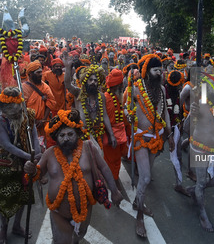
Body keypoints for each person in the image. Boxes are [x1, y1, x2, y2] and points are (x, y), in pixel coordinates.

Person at [24, 109, 123, 243]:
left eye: (70, 134)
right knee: (62, 241)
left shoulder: (88, 148)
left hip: (85, 208)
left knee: (78, 236)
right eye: (62, 135)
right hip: (59, 213)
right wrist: (31, 169)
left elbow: (104, 168)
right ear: (56, 138)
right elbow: (36, 174)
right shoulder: (49, 153)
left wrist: (115, 191)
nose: (66, 138)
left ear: (77, 133)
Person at [126, 54, 174, 237]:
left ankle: (138, 201)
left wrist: (168, 134)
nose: (159, 73)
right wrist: (129, 115)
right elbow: (127, 107)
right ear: (147, 72)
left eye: (160, 70)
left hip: (157, 138)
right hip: (140, 137)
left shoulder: (162, 89)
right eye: (156, 70)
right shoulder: (136, 88)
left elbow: (165, 113)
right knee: (145, 178)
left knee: (147, 175)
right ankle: (139, 217)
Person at [186, 72, 214, 232]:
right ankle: (203, 214)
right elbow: (187, 126)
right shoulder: (199, 104)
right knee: (202, 182)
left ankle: (194, 190)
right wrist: (192, 112)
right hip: (199, 149)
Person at [0, 87, 41, 243]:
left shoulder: (27, 115)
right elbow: (6, 144)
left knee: (24, 196)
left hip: (26, 164)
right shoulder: (1, 120)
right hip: (5, 164)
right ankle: (3, 228)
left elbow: (34, 137)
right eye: (9, 110)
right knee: (4, 200)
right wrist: (28, 156)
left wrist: (36, 155)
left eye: (16, 110)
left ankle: (17, 226)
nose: (14, 113)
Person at [63, 52, 117, 151]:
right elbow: (67, 84)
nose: (93, 82)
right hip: (82, 134)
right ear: (86, 81)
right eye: (90, 80)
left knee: (98, 160)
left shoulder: (101, 96)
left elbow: (104, 115)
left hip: (97, 134)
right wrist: (67, 67)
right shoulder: (79, 93)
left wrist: (111, 134)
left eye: (96, 80)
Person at [103, 69, 129, 191]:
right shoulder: (105, 98)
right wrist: (110, 134)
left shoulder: (119, 97)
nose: (123, 86)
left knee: (118, 157)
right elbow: (103, 118)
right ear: (118, 86)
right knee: (111, 159)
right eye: (121, 85)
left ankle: (114, 177)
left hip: (121, 132)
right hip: (110, 134)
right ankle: (113, 180)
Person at [165, 70, 190, 196]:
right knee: (152, 152)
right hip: (161, 127)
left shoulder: (178, 92)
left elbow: (178, 110)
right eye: (180, 83)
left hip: (174, 126)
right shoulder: (163, 91)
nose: (182, 86)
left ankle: (178, 184)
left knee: (178, 155)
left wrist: (179, 122)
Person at [22, 60, 57, 137]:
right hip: (29, 124)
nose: (41, 74)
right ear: (30, 74)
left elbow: (51, 103)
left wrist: (43, 120)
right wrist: (31, 121)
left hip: (43, 124)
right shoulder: (23, 88)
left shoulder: (45, 87)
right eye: (38, 73)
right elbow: (22, 107)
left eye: (41, 72)